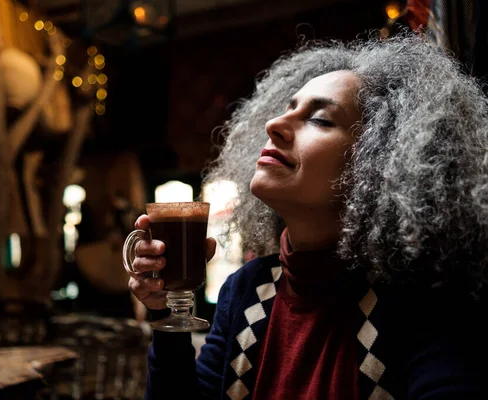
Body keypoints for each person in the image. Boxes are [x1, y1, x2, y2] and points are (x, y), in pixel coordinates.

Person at [126, 33, 488, 399]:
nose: (274, 125)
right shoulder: (245, 289)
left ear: (378, 161)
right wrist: (165, 313)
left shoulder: (426, 303)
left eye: (319, 119)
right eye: (287, 107)